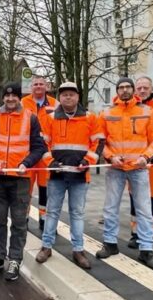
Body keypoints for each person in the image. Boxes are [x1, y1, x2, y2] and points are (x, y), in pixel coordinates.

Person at [35, 82, 104, 269]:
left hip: (80, 176)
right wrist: (50, 163)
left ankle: (78, 250)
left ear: (77, 97)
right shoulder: (49, 118)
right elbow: (42, 144)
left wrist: (87, 161)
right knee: (52, 211)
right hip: (57, 174)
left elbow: (98, 142)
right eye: (64, 94)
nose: (68, 97)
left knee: (77, 213)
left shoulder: (90, 118)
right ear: (59, 97)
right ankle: (46, 246)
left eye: (71, 94)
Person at [0, 82, 46, 281]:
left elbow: (39, 147)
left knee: (19, 223)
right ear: (3, 97)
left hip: (21, 179)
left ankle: (15, 259)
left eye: (14, 96)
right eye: (7, 96)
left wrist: (26, 163)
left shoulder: (31, 118)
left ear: (19, 97)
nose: (10, 99)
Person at [96, 77, 153, 269]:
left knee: (144, 210)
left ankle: (146, 249)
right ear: (116, 91)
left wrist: (145, 158)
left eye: (127, 87)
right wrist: (110, 157)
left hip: (138, 168)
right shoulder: (106, 113)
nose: (124, 90)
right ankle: (110, 244)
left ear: (133, 90)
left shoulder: (147, 112)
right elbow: (100, 142)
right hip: (116, 168)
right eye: (120, 87)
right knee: (110, 207)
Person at [21, 76, 59, 230]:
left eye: (41, 84)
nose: (38, 86)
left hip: (47, 154)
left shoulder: (55, 104)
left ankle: (44, 219)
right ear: (31, 87)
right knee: (26, 188)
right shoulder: (23, 103)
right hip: (28, 153)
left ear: (47, 86)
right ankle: (23, 218)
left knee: (45, 188)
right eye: (35, 84)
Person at [128, 76, 153, 248]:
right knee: (135, 197)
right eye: (139, 88)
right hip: (135, 162)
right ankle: (135, 233)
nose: (142, 90)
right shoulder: (132, 109)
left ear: (151, 88)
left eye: (145, 87)